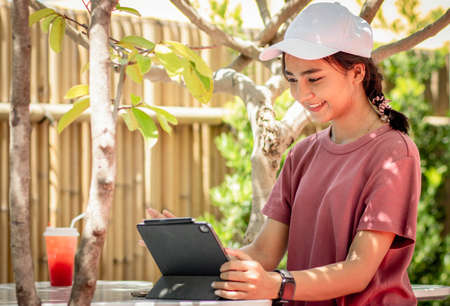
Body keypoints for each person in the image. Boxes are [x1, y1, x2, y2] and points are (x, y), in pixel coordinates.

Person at [148, 2, 421, 305]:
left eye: (313, 78)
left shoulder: (394, 154)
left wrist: (277, 286)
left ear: (356, 72)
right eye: (292, 79)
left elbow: (358, 271)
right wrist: (195, 254)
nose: (300, 94)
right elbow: (264, 253)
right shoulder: (302, 155)